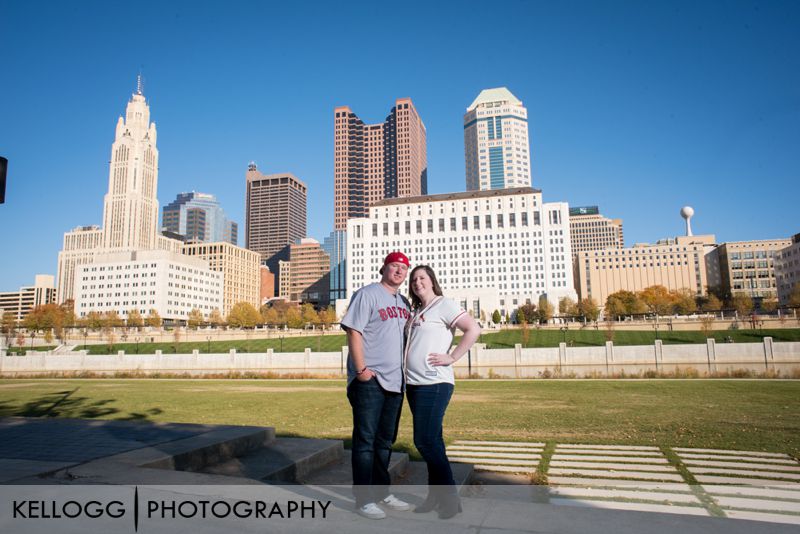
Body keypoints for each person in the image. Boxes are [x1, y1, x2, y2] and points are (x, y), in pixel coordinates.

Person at [405, 265, 481, 519]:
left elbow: (473, 329)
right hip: (414, 385)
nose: (417, 282)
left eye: (422, 278)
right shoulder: (415, 312)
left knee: (424, 441)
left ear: (432, 281)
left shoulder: (444, 304)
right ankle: (434, 496)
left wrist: (452, 356)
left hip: (434, 383)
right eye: (414, 279)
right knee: (433, 442)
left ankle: (449, 499)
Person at [340, 251, 412, 520]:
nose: (399, 272)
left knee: (385, 442)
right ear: (383, 269)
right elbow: (354, 330)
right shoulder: (368, 293)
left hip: (396, 382)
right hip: (370, 381)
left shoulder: (403, 302)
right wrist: (360, 371)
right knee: (365, 442)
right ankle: (363, 499)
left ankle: (382, 493)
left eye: (403, 269)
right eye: (394, 267)